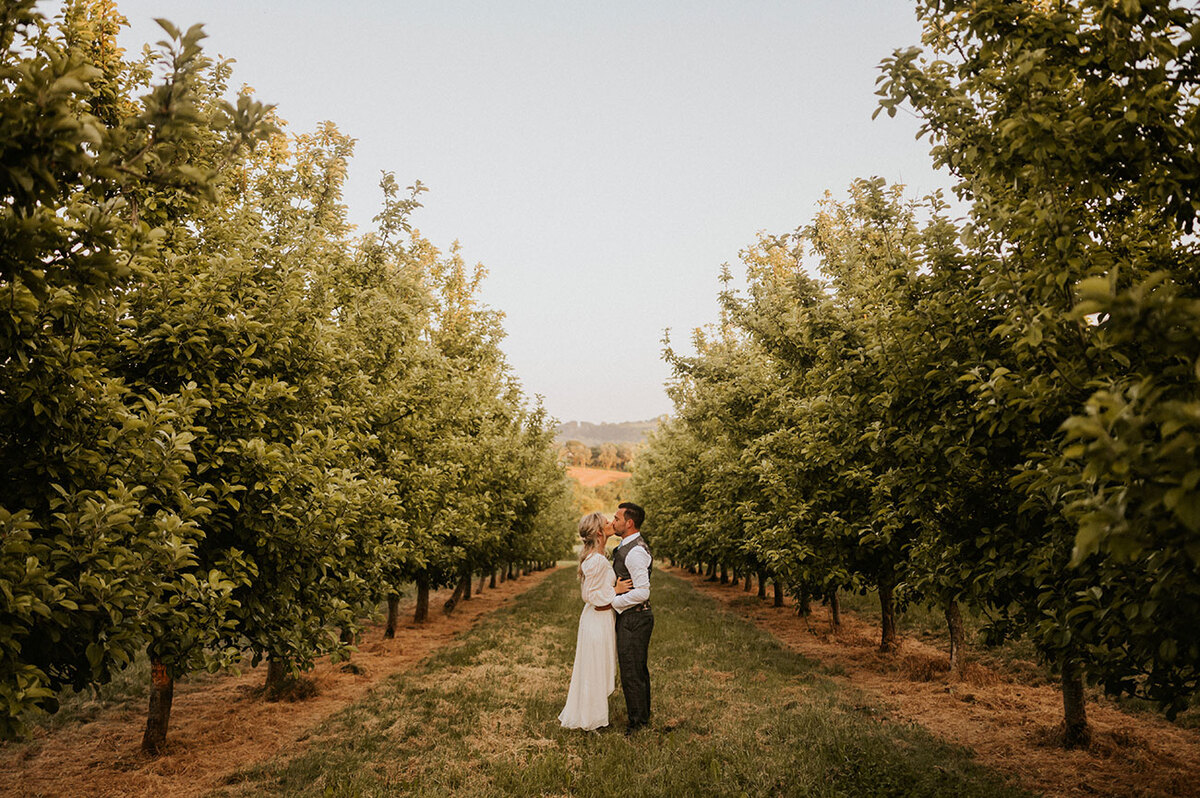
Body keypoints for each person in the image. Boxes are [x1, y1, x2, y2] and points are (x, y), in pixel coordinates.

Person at [558, 511, 618, 731]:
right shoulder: (596, 560)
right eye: (607, 523)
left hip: (600, 618)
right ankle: (592, 718)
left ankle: (594, 714)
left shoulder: (600, 557)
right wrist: (615, 592)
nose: (612, 523)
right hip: (597, 618)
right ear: (600, 532)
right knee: (594, 667)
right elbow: (589, 595)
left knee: (597, 665)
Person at [611, 501, 652, 734]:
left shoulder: (635, 551)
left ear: (629, 523)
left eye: (617, 518)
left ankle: (637, 724)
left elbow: (643, 591)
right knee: (637, 668)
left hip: (635, 618)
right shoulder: (627, 546)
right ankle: (642, 717)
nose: (613, 521)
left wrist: (614, 602)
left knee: (631, 670)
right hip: (634, 617)